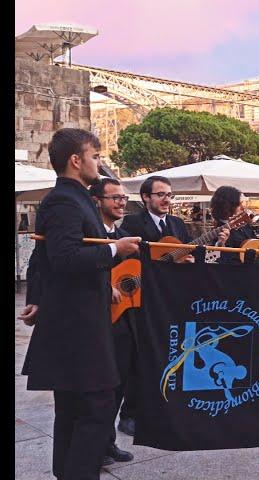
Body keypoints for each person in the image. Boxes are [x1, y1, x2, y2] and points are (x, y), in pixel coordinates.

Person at [19, 128, 140, 480]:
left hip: (79, 321)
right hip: (78, 328)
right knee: (96, 407)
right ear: (76, 160)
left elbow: (44, 258)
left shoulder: (76, 199)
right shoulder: (63, 201)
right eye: (95, 155)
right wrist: (117, 249)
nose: (98, 162)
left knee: (74, 408)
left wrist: (38, 300)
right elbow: (63, 257)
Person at [118, 175, 197, 436]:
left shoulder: (177, 224)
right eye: (161, 194)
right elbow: (127, 258)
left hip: (170, 299)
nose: (166, 199)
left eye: (169, 195)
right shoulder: (131, 223)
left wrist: (187, 260)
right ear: (146, 198)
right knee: (138, 357)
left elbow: (189, 252)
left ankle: (159, 407)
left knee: (167, 354)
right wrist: (164, 260)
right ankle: (129, 414)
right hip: (140, 298)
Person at [88, 178, 137, 467]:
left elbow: (143, 271)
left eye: (123, 198)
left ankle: (107, 443)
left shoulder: (128, 235)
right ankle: (95, 446)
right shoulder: (89, 234)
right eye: (114, 198)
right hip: (95, 320)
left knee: (117, 385)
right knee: (98, 389)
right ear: (98, 201)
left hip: (123, 322)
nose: (120, 202)